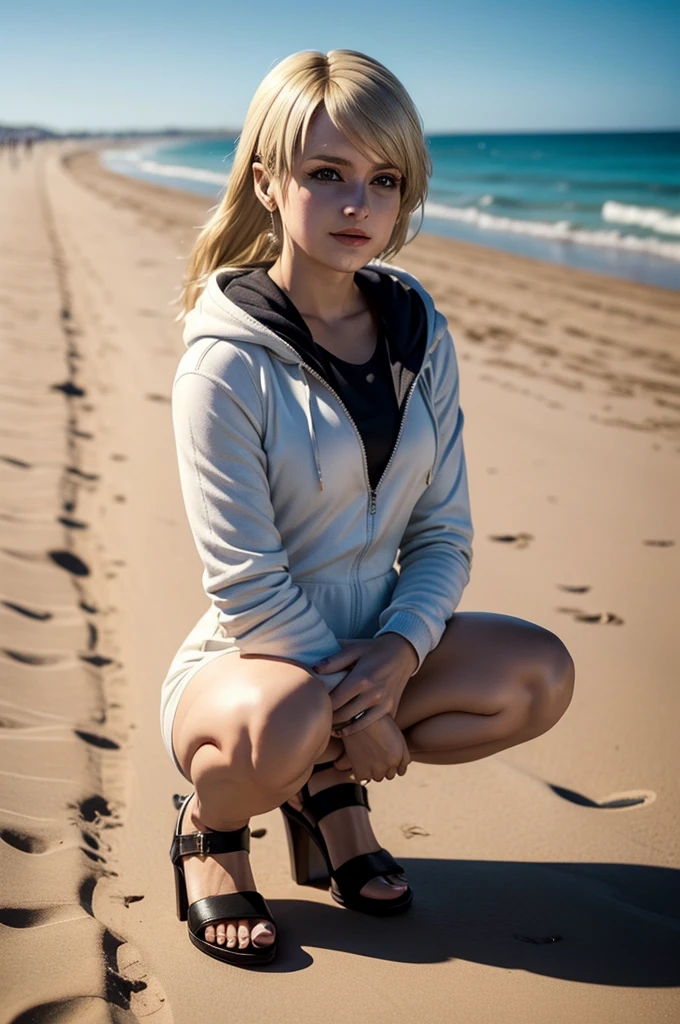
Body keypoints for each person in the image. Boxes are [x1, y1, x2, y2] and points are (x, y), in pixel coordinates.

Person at [161, 48, 575, 968]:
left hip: (383, 642)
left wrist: (399, 650)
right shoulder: (222, 363)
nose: (360, 205)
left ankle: (322, 793)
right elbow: (247, 583)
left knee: (539, 673)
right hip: (250, 664)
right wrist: (359, 712)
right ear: (268, 183)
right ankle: (213, 827)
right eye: (327, 175)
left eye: (383, 180)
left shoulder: (421, 334)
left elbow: (443, 533)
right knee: (283, 722)